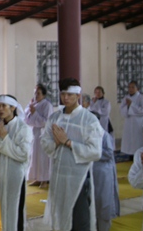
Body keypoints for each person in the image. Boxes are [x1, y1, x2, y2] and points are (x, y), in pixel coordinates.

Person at [41, 78, 103, 231]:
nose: (65, 98)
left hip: (79, 179)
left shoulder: (88, 119)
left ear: (78, 95)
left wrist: (68, 142)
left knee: (79, 221)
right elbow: (44, 142)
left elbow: (95, 152)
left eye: (69, 95)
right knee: (60, 219)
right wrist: (56, 143)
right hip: (58, 177)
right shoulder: (55, 118)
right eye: (63, 94)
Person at [0, 94, 32, 231]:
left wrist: (4, 139)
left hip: (15, 177)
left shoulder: (23, 128)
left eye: (4, 106)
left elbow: (23, 154)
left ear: (13, 108)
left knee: (15, 211)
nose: (0, 109)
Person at [90, 111, 119, 231]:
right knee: (92, 203)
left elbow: (109, 153)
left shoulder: (104, 135)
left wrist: (92, 152)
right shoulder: (86, 134)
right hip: (92, 173)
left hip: (103, 173)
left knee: (103, 203)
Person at [24, 83, 54, 188]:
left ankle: (44, 180)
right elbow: (26, 118)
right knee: (34, 156)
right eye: (35, 93)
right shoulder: (33, 104)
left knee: (42, 158)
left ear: (44, 95)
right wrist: (31, 110)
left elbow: (46, 122)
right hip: (34, 133)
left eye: (38, 93)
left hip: (43, 134)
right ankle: (37, 178)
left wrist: (34, 113)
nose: (36, 95)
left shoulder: (47, 105)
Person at [120, 80, 143, 156]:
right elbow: (122, 109)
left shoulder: (142, 98)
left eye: (133, 87)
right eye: (129, 87)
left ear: (137, 88)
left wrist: (132, 104)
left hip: (138, 122)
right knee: (129, 139)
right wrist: (128, 107)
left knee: (138, 139)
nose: (130, 89)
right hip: (129, 121)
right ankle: (130, 154)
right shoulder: (126, 98)